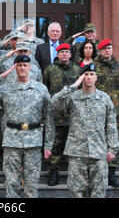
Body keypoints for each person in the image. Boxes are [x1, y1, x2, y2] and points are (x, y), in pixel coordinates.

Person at [0, 55, 55, 198]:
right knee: (11, 182)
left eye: (25, 65)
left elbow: (49, 118)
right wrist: (2, 76)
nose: (22, 68)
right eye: (19, 65)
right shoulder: (5, 89)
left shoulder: (41, 89)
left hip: (33, 139)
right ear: (15, 68)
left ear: (30, 68)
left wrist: (48, 145)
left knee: (31, 184)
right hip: (11, 139)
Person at [52, 63, 119, 198]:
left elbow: (111, 125)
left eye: (91, 74)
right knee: (76, 191)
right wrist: (73, 86)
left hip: (99, 152)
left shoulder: (104, 98)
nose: (89, 77)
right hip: (77, 152)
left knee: (99, 191)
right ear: (81, 77)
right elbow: (54, 102)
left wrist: (112, 148)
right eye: (86, 75)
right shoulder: (72, 97)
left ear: (96, 77)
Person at [94, 39, 119, 187]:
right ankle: (99, 175)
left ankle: (111, 175)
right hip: (97, 113)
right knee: (98, 143)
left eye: (109, 48)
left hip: (115, 114)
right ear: (100, 51)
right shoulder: (94, 66)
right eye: (104, 49)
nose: (107, 51)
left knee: (114, 144)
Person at [43, 43, 80, 186]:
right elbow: (45, 90)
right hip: (55, 114)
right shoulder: (50, 70)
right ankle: (53, 172)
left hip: (73, 115)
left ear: (70, 54)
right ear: (57, 54)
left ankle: (74, 174)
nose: (64, 54)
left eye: (66, 52)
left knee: (74, 144)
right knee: (55, 144)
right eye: (61, 52)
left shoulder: (77, 69)